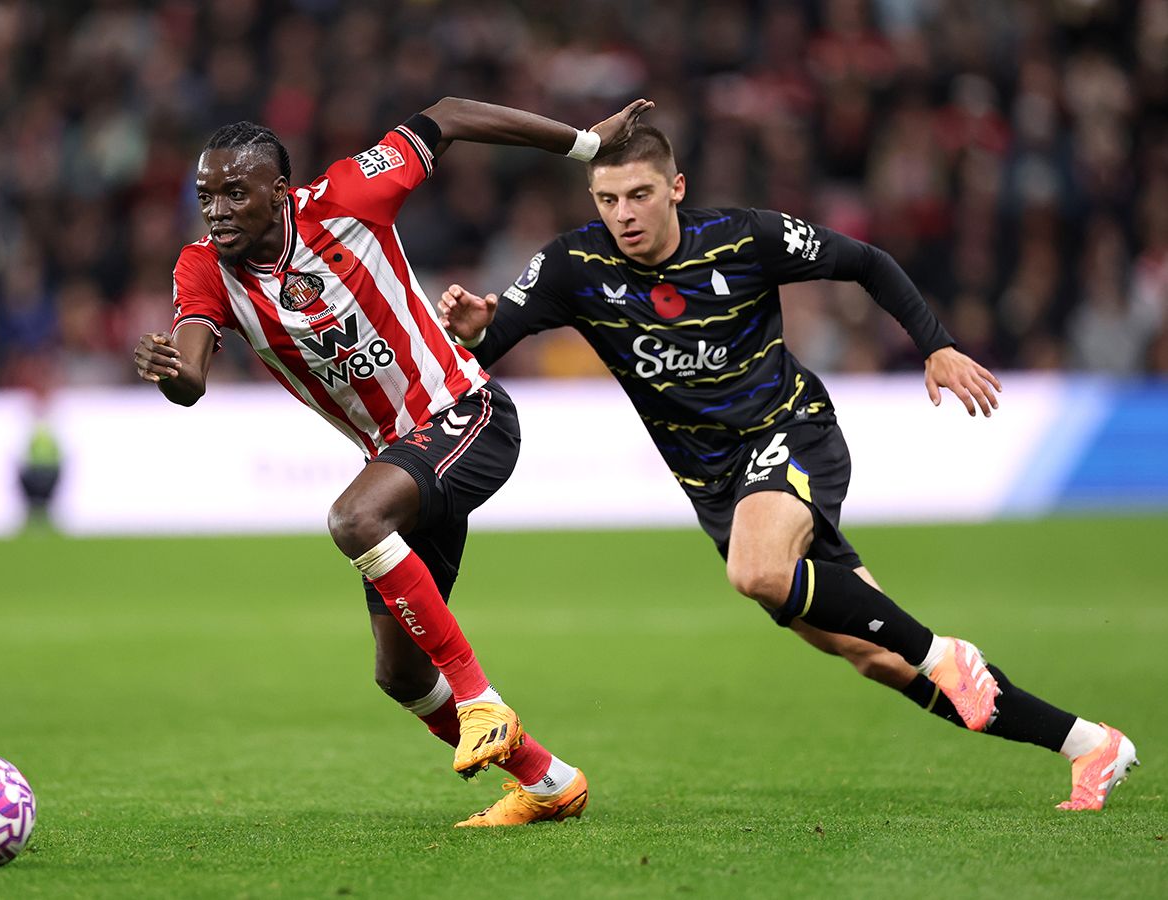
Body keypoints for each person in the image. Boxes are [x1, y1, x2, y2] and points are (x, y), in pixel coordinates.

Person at [439, 124, 1139, 811]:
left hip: (791, 431)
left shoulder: (744, 238)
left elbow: (867, 261)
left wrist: (936, 344)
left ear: (676, 188)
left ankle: (944, 655)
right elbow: (480, 351)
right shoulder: (573, 266)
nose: (624, 214)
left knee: (759, 571)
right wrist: (473, 330)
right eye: (608, 200)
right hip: (717, 486)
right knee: (879, 656)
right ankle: (1089, 744)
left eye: (640, 195)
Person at [133, 97, 654, 827]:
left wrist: (585, 145)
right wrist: (169, 372)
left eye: (234, 193)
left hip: (466, 415)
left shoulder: (351, 195)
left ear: (279, 192)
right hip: (401, 461)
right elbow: (191, 376)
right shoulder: (204, 268)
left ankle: (480, 701)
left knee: (354, 517)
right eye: (205, 196)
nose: (216, 211)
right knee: (400, 672)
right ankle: (547, 781)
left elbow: (451, 115)